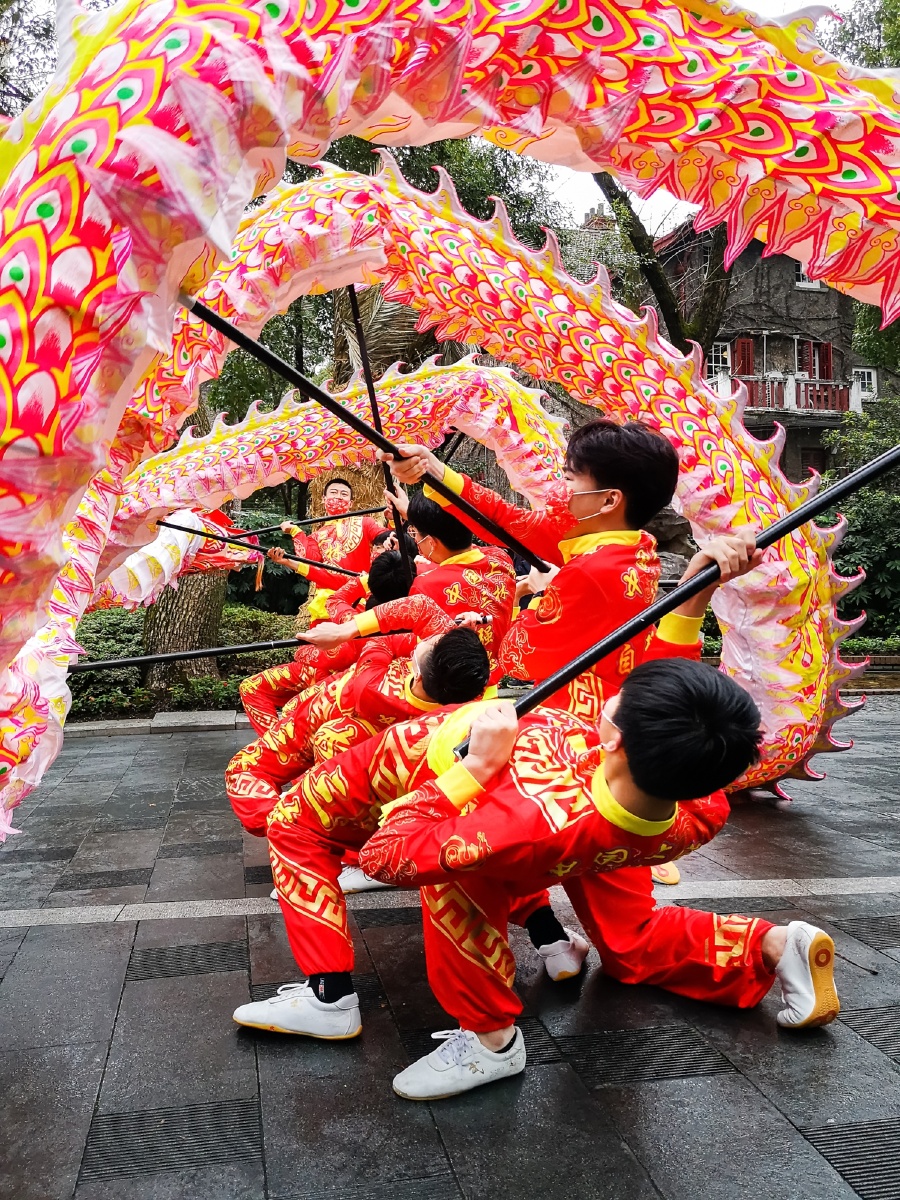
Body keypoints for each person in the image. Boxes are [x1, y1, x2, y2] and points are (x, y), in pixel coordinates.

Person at [225, 609, 491, 837]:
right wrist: (461, 642)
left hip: (308, 727)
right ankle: (300, 817)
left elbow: (384, 642)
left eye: (433, 644)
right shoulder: (458, 707)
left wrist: (343, 628)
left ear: (419, 676)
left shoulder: (372, 684)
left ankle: (284, 823)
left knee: (243, 769)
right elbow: (468, 677)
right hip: (362, 758)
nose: (431, 639)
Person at [238, 548, 415, 737]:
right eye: (378, 547)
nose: (377, 551)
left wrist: (302, 650)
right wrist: (289, 562)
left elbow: (336, 600)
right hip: (385, 684)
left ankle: (277, 744)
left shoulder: (355, 622)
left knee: (261, 693)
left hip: (334, 672)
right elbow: (326, 577)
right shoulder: (422, 612)